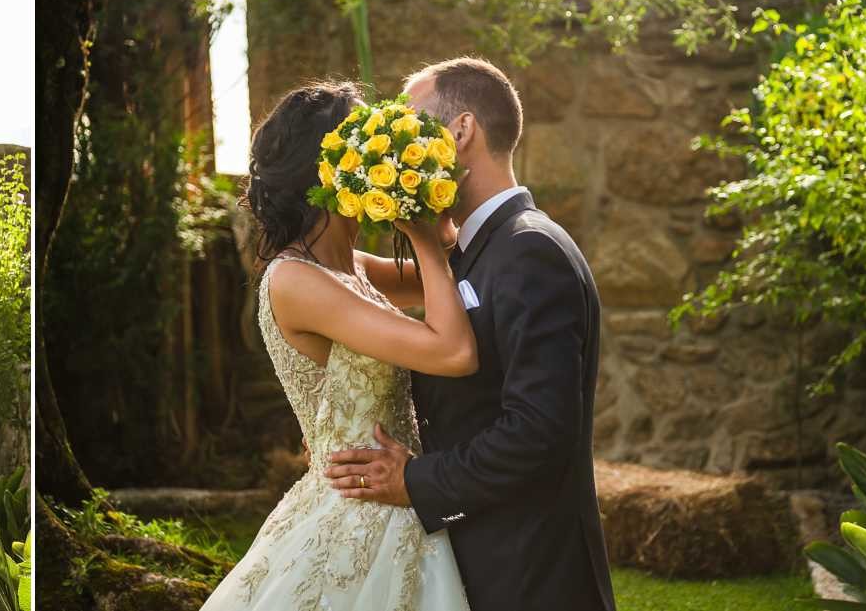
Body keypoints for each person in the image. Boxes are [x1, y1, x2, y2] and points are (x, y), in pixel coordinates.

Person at [324, 58, 616, 611]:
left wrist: (417, 482)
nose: (395, 148)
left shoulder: (530, 249)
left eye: (410, 125)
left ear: (461, 131)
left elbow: (539, 431)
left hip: (532, 575)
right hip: (483, 560)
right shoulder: (469, 252)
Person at [199, 81, 476, 611]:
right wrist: (420, 236)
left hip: (400, 492)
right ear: (334, 169)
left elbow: (455, 279)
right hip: (358, 508)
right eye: (374, 147)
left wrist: (435, 208)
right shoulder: (295, 279)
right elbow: (454, 352)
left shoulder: (354, 267)